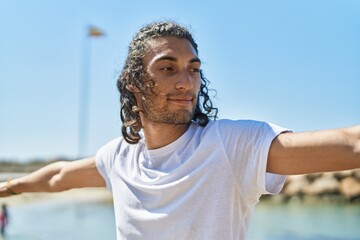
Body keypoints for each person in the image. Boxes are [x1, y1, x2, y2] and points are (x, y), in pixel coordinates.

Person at [0, 21, 359, 240]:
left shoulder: (232, 145)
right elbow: (58, 176)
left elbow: (349, 144)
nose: (187, 82)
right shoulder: (120, 157)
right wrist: (10, 187)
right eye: (168, 68)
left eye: (193, 68)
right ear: (134, 82)